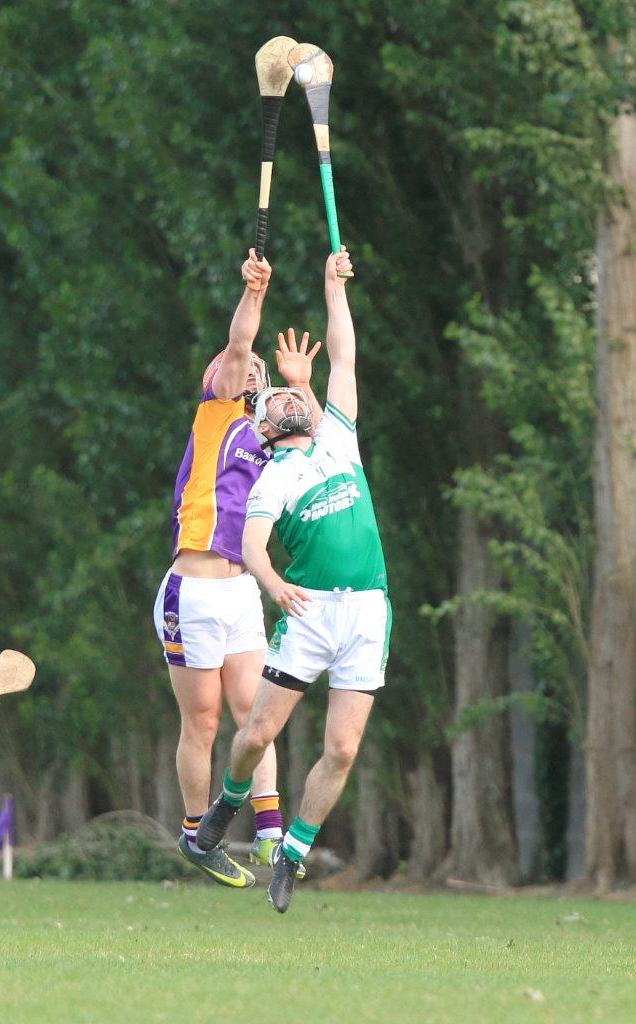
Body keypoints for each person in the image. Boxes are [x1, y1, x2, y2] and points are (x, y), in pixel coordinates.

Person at [196, 247, 389, 913]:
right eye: (277, 397)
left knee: (342, 747)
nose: (287, 395)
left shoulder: (339, 435)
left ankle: (295, 854)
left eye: (288, 392)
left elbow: (344, 357)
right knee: (254, 737)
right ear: (266, 426)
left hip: (366, 611)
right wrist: (275, 585)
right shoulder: (271, 477)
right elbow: (251, 547)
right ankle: (226, 806)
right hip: (306, 611)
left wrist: (334, 287)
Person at [154, 249, 320, 887]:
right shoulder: (218, 411)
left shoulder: (278, 440)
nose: (243, 367)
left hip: (243, 590)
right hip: (192, 587)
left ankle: (273, 837)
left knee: (258, 712)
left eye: (252, 369)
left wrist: (299, 380)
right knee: (201, 719)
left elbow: (317, 430)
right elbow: (240, 338)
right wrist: (254, 291)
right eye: (233, 364)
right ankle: (198, 833)